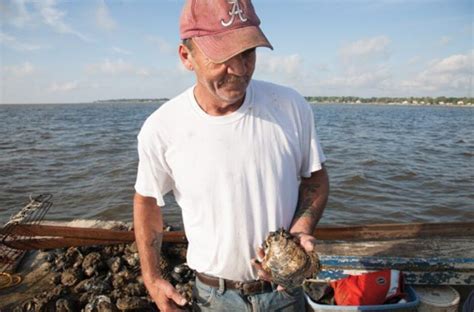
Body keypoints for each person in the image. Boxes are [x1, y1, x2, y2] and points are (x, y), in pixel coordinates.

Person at [133, 0, 329, 311]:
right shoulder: (162, 127)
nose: (239, 70)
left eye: (248, 52)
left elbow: (315, 178)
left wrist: (301, 229)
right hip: (214, 297)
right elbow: (147, 201)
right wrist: (152, 278)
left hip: (285, 294)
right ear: (187, 56)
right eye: (222, 56)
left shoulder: (290, 106)